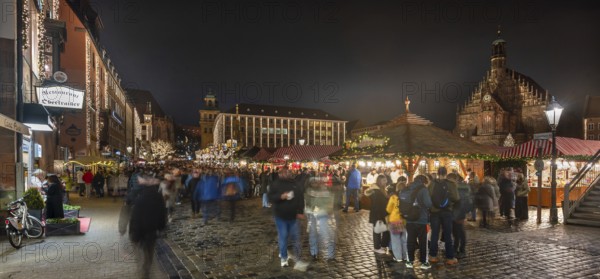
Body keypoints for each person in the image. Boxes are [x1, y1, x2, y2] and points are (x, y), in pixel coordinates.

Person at [128, 174, 167, 279]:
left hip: (139, 231)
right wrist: (161, 227)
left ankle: (143, 271)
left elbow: (135, 216)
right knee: (148, 253)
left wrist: (132, 233)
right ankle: (146, 271)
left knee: (141, 254)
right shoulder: (158, 196)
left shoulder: (139, 196)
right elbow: (162, 214)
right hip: (151, 231)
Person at [268, 167, 304, 268]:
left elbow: (301, 198)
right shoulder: (275, 184)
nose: (287, 174)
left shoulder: (295, 184)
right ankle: (284, 258)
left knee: (296, 238)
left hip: (293, 215)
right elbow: (270, 197)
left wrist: (300, 211)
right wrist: (280, 197)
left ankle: (298, 259)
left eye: (288, 172)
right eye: (284, 172)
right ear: (280, 174)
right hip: (280, 215)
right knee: (283, 236)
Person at [428, 166, 460, 265]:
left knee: (434, 234)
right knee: (447, 234)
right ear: (446, 173)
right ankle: (450, 258)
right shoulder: (451, 184)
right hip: (447, 212)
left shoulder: (432, 183)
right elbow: (456, 198)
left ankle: (433, 256)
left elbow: (428, 197)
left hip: (434, 212)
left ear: (437, 173)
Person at [404, 175, 432, 269]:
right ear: (424, 182)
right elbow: (428, 204)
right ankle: (424, 263)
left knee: (410, 240)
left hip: (409, 219)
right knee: (423, 241)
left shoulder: (408, 188)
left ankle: (409, 261)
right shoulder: (423, 189)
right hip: (421, 219)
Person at [305, 174, 335, 261]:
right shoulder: (309, 191)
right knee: (313, 234)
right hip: (312, 215)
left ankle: (331, 254)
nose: (316, 183)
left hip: (322, 215)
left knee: (326, 234)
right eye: (314, 182)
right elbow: (308, 203)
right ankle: (314, 252)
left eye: (317, 182)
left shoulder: (325, 190)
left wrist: (328, 208)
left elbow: (329, 202)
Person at [448, 173, 471, 259]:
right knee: (455, 232)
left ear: (455, 179)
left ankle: (462, 250)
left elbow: (465, 202)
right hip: (453, 213)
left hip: (459, 213)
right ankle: (455, 248)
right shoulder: (454, 186)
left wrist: (462, 213)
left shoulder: (462, 187)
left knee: (460, 232)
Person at [365, 175, 390, 254]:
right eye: (383, 180)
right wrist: (379, 216)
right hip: (378, 214)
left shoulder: (383, 189)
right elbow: (376, 205)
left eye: (385, 180)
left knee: (386, 230)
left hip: (383, 213)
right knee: (377, 231)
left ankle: (383, 245)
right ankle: (377, 247)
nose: (385, 182)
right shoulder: (376, 191)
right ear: (379, 181)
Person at [386, 178, 407, 262]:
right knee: (404, 239)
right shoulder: (407, 197)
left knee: (395, 239)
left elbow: (388, 209)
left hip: (395, 220)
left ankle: (398, 257)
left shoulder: (393, 197)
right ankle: (405, 256)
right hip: (404, 220)